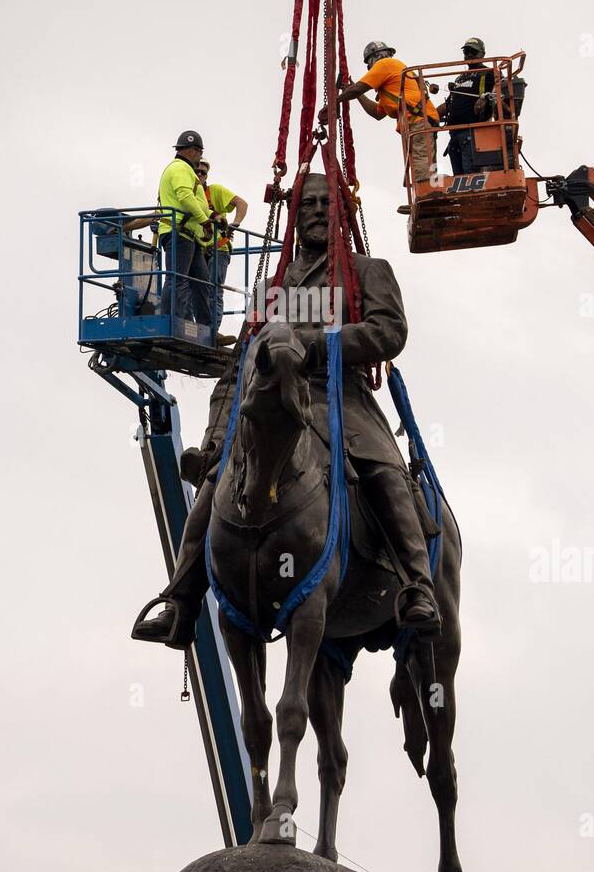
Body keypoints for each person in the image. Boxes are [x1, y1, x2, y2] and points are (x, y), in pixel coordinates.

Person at [131, 171, 442, 650]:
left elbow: (389, 332)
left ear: (342, 212)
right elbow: (238, 370)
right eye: (308, 205)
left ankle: (417, 585)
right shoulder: (274, 287)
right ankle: (181, 600)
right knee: (217, 483)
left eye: (326, 204)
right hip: (272, 402)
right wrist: (215, 439)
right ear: (294, 217)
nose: (317, 211)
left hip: (342, 400)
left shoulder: (367, 270)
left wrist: (313, 345)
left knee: (385, 474)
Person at [326, 41, 440, 189]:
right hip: (416, 121)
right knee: (419, 162)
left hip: (419, 120)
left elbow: (357, 89)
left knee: (421, 160)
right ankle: (423, 193)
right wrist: (353, 93)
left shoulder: (385, 64)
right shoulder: (392, 79)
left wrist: (333, 102)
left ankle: (426, 194)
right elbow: (377, 113)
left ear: (374, 59)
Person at [155, 131, 213, 326]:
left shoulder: (184, 169)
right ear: (193, 151)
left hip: (189, 235)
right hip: (178, 232)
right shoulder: (180, 168)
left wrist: (213, 217)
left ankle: (206, 328)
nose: (200, 157)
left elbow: (194, 199)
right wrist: (204, 220)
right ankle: (172, 323)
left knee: (202, 281)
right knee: (177, 279)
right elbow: (185, 196)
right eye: (199, 152)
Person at [195, 159, 248, 333]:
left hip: (218, 249)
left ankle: (211, 333)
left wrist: (235, 224)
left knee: (213, 291)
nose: (200, 175)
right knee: (193, 289)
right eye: (197, 171)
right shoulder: (189, 194)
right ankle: (197, 329)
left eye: (203, 172)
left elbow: (242, 203)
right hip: (198, 249)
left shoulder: (214, 191)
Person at [436, 37, 498, 176]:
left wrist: (485, 97)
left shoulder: (490, 73)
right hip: (455, 134)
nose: (469, 55)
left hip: (473, 134)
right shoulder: (460, 78)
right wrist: (429, 115)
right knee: (459, 178)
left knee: (471, 177)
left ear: (482, 54)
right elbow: (449, 104)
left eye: (473, 52)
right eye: (466, 51)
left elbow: (502, 91)